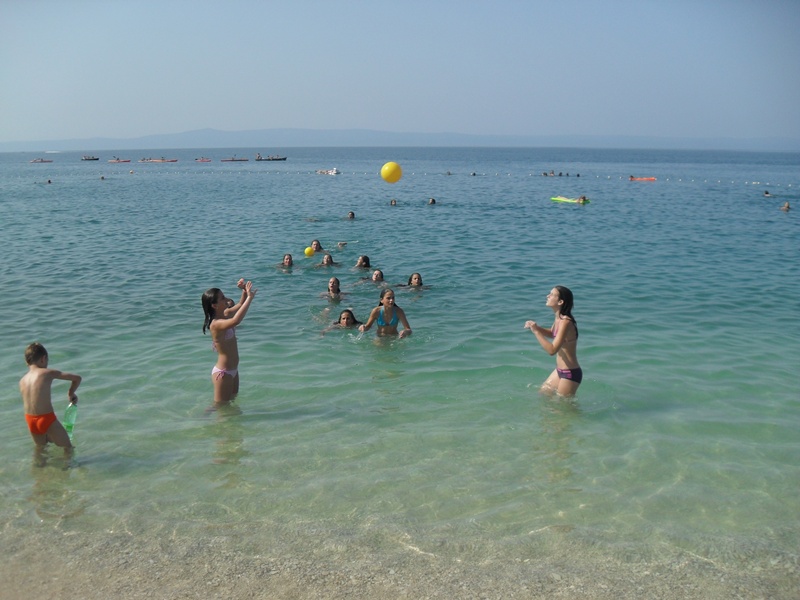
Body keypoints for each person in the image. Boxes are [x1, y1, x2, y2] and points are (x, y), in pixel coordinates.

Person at [19, 342, 82, 456]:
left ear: (27, 361)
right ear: (43, 359)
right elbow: (77, 378)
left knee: (41, 450)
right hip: (46, 418)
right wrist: (71, 393)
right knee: (68, 448)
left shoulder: (22, 381)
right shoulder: (47, 373)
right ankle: (68, 466)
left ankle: (39, 466)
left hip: (30, 420)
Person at [201, 279, 257, 405]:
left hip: (233, 370)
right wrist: (250, 298)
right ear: (214, 305)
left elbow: (240, 305)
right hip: (223, 373)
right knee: (220, 407)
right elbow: (236, 321)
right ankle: (202, 416)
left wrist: (244, 290)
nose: (226, 299)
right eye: (222, 298)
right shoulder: (215, 324)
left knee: (232, 403)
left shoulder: (225, 314)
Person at [524, 286, 582, 397]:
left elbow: (552, 350)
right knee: (543, 394)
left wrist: (536, 332)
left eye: (551, 294)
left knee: (563, 405)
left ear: (560, 302)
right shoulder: (559, 318)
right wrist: (536, 327)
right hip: (559, 371)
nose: (547, 296)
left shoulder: (566, 322)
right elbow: (553, 333)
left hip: (570, 373)